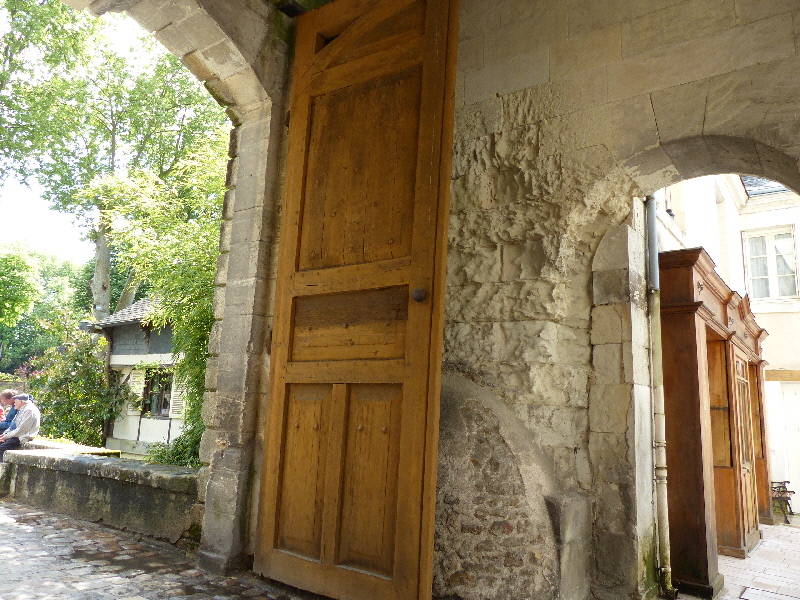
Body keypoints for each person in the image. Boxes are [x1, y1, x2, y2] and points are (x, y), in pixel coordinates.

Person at [0, 393, 39, 460]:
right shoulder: (22, 409)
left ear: (20, 402)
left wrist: (6, 436)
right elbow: (13, 425)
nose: (14, 404)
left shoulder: (29, 410)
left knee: (1, 449)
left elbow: (21, 429)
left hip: (21, 437)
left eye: (15, 402)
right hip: (14, 435)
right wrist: (4, 435)